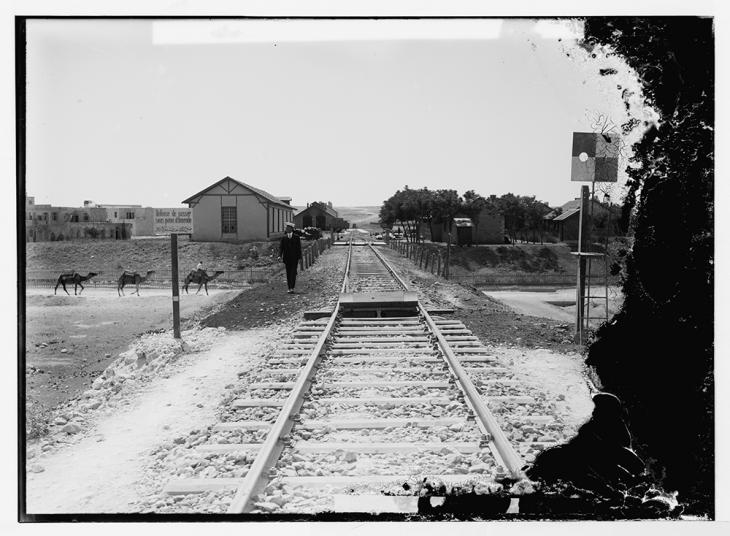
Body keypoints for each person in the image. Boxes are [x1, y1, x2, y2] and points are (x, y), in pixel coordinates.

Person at [279, 223, 302, 293]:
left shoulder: (296, 237)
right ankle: (289, 287)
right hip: (287, 258)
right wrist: (279, 255)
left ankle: (292, 287)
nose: (287, 229)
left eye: (288, 228)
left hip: (294, 258)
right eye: (286, 228)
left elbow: (299, 248)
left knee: (293, 272)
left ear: (291, 229)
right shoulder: (284, 238)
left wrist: (300, 257)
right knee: (288, 273)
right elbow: (281, 248)